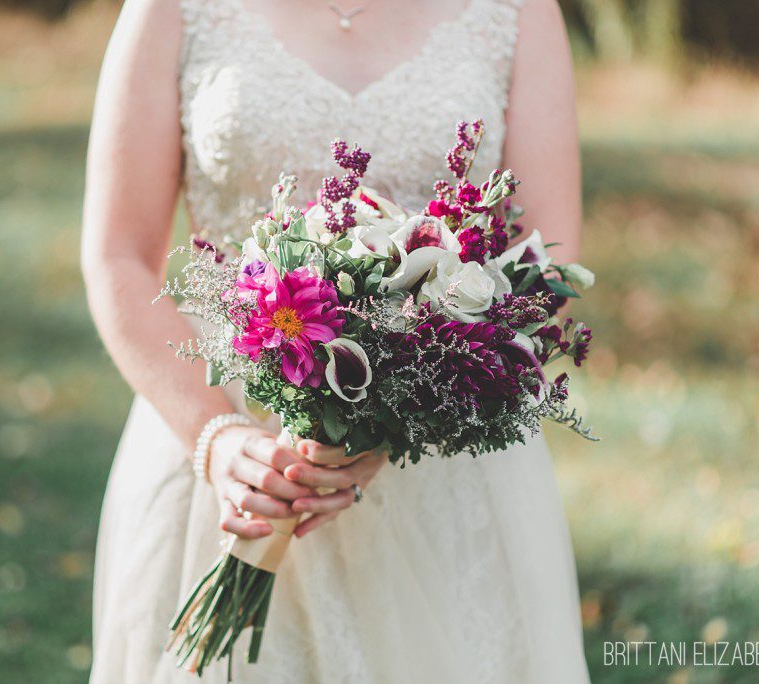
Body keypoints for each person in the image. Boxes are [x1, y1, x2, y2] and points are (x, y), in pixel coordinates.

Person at [81, 0, 589, 681]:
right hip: (220, 438)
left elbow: (543, 269)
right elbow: (118, 255)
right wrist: (218, 440)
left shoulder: (517, 11)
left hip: (442, 460)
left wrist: (403, 414)